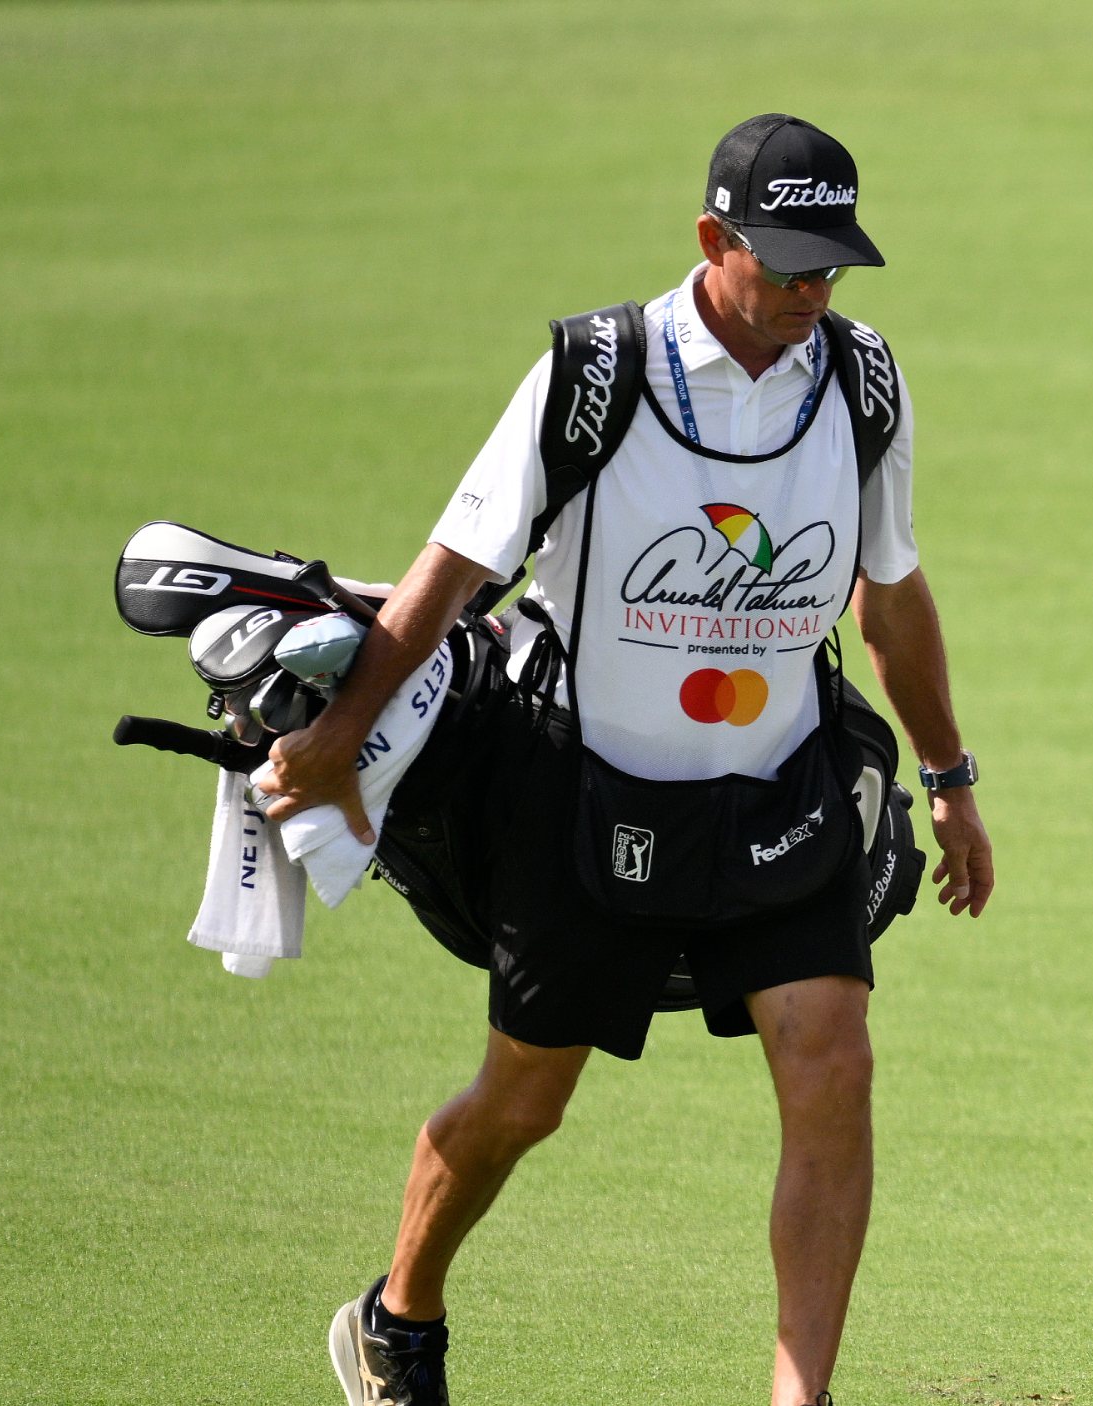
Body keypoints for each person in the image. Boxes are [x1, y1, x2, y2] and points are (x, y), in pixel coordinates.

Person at [262, 113, 994, 1406]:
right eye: (788, 268)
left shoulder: (865, 382)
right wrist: (331, 745)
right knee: (522, 1102)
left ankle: (799, 1394)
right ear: (715, 243)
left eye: (834, 269)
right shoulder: (595, 374)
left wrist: (949, 777)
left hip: (780, 790)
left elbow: (892, 595)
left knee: (833, 1058)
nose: (814, 295)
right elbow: (453, 569)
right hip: (585, 795)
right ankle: (397, 1315)